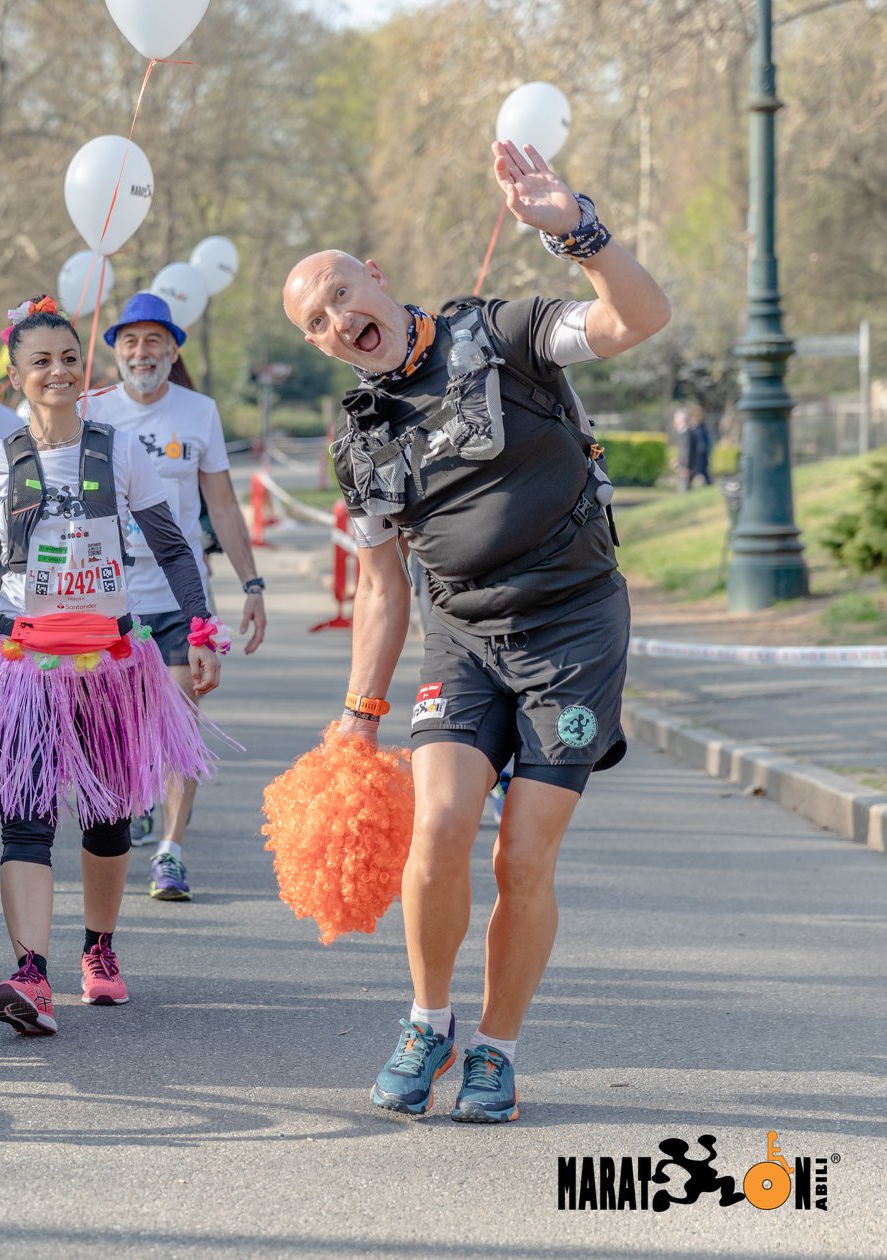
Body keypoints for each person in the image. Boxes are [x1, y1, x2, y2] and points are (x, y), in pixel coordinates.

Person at [283, 140, 670, 1123]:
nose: (337, 320)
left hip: (572, 636)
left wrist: (577, 232)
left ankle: (495, 1049)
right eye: (316, 322)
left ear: (375, 272)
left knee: (523, 859)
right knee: (440, 829)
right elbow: (380, 586)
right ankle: (428, 1020)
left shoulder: (502, 332)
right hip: (461, 643)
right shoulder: (359, 434)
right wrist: (358, 714)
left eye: (340, 293)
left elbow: (639, 318)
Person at [0, 296, 225, 1034]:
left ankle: (98, 950)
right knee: (26, 822)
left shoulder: (116, 449)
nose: (59, 372)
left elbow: (171, 544)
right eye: (41, 362)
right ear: (15, 375)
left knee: (107, 820)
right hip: (21, 663)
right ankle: (29, 975)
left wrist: (199, 627)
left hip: (108, 665)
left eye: (69, 358)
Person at [86, 292, 268, 901]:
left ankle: (170, 852)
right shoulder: (90, 410)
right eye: (130, 341)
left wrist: (252, 583)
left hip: (179, 591)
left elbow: (222, 502)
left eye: (154, 341)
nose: (142, 353)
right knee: (118, 721)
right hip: (108, 595)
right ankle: (134, 801)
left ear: (172, 350)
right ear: (115, 351)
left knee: (182, 717)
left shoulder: (199, 413)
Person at [676, 403, 712, 491]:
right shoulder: (698, 430)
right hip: (698, 459)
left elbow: (689, 449)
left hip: (696, 460)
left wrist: (686, 464)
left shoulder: (696, 431)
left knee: (688, 480)